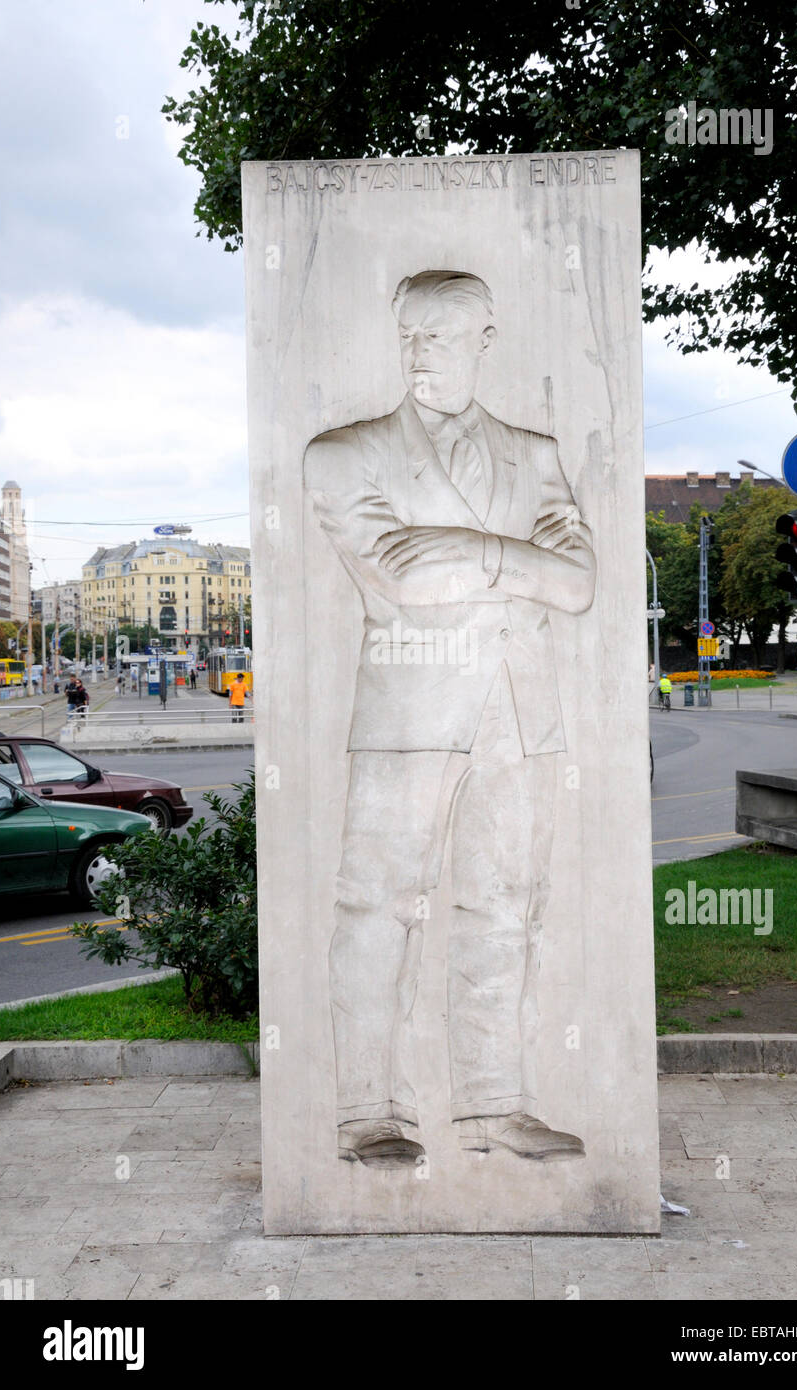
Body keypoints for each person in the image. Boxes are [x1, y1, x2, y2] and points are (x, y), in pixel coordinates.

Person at [304, 269, 596, 1169]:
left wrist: (471, 548)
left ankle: (494, 1109)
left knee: (504, 907)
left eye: (439, 334)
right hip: (408, 713)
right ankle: (365, 1113)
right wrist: (519, 564)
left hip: (517, 714)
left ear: (483, 339)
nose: (420, 351)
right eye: (409, 336)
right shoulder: (342, 454)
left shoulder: (534, 453)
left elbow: (580, 583)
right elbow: (401, 578)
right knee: (377, 908)